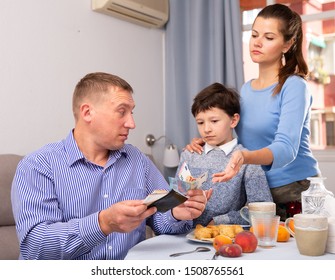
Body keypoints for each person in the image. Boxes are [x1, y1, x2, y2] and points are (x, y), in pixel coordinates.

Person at [11, 72, 210, 260]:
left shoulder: (137, 160)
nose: (132, 123)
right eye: (121, 112)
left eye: (131, 113)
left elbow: (161, 219)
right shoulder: (38, 166)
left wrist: (177, 213)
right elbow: (35, 247)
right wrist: (103, 223)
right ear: (87, 113)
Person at [186, 4, 320, 220]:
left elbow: (285, 149)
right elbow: (237, 133)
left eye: (268, 37)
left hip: (294, 190)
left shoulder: (294, 86)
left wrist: (245, 157)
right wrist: (206, 140)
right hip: (258, 190)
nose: (257, 42)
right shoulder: (247, 89)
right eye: (254, 34)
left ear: (287, 44)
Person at [176, 82, 272, 226]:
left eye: (214, 121)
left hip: (224, 238)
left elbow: (264, 211)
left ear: (233, 120)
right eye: (200, 123)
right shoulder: (189, 155)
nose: (206, 129)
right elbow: (175, 202)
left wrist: (221, 221)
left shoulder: (247, 160)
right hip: (183, 236)